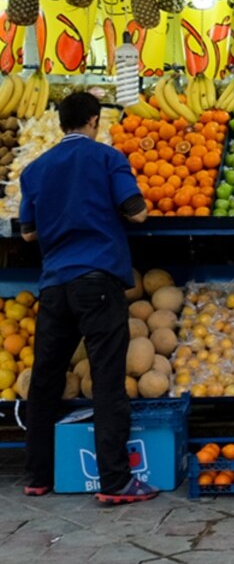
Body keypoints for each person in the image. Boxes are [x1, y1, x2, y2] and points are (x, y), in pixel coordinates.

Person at [19, 92, 157, 504]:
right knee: (108, 380)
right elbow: (137, 212)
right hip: (97, 281)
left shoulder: (35, 170)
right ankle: (114, 482)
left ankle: (37, 476)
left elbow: (28, 233)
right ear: (95, 121)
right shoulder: (107, 158)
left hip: (55, 285)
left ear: (61, 123)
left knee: (45, 382)